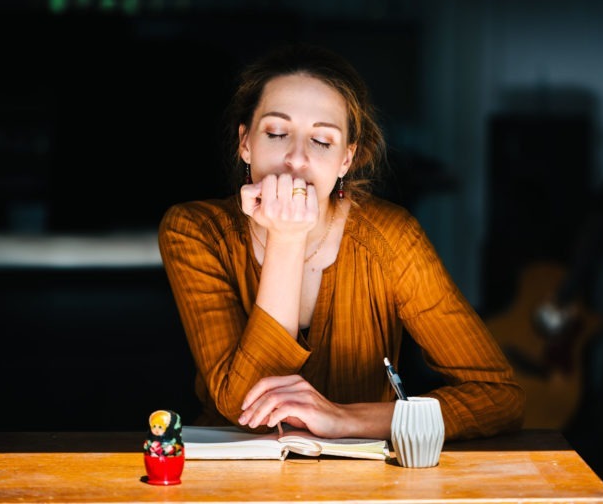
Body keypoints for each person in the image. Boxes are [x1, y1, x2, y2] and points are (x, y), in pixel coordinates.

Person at [158, 43, 524, 442]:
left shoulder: (392, 237)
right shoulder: (194, 230)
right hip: (238, 483)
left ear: (346, 161)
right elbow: (244, 406)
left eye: (322, 141)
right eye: (277, 133)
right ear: (245, 142)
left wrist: (346, 420)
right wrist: (287, 239)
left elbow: (499, 397)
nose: (296, 159)